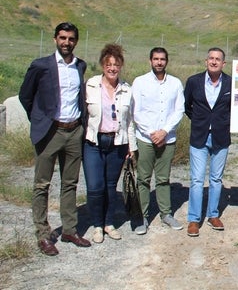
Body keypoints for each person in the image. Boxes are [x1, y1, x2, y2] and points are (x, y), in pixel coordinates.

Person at [19, 22, 91, 256]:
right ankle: (43, 233)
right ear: (55, 39)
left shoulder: (80, 66)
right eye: (62, 38)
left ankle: (69, 229)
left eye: (70, 39)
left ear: (76, 41)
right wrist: (40, 119)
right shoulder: (41, 66)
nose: (66, 42)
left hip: (74, 131)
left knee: (69, 184)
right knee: (42, 184)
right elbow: (25, 96)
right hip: (50, 132)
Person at [83, 44, 137, 243]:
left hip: (117, 142)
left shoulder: (126, 89)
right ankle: (97, 225)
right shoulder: (90, 86)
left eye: (116, 64)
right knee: (95, 186)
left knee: (110, 186)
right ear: (102, 65)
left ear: (121, 66)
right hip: (94, 142)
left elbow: (130, 120)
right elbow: (83, 114)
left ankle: (108, 223)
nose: (112, 68)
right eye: (109, 64)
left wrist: (132, 146)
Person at [131, 47, 185, 235]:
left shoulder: (176, 84)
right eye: (156, 59)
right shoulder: (140, 82)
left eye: (162, 59)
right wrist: (152, 133)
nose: (159, 62)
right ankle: (142, 217)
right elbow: (136, 112)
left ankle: (166, 214)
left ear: (167, 61)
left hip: (167, 139)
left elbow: (179, 110)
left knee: (163, 179)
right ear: (150, 61)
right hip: (145, 139)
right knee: (143, 179)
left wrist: (164, 132)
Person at [184, 47, 232, 237]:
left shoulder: (230, 83)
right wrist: (199, 122)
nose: (214, 61)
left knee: (216, 179)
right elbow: (187, 107)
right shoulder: (193, 81)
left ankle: (213, 215)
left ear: (223, 63)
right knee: (196, 180)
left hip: (221, 137)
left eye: (217, 59)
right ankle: (194, 219)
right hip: (199, 136)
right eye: (211, 58)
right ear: (206, 61)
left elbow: (234, 108)